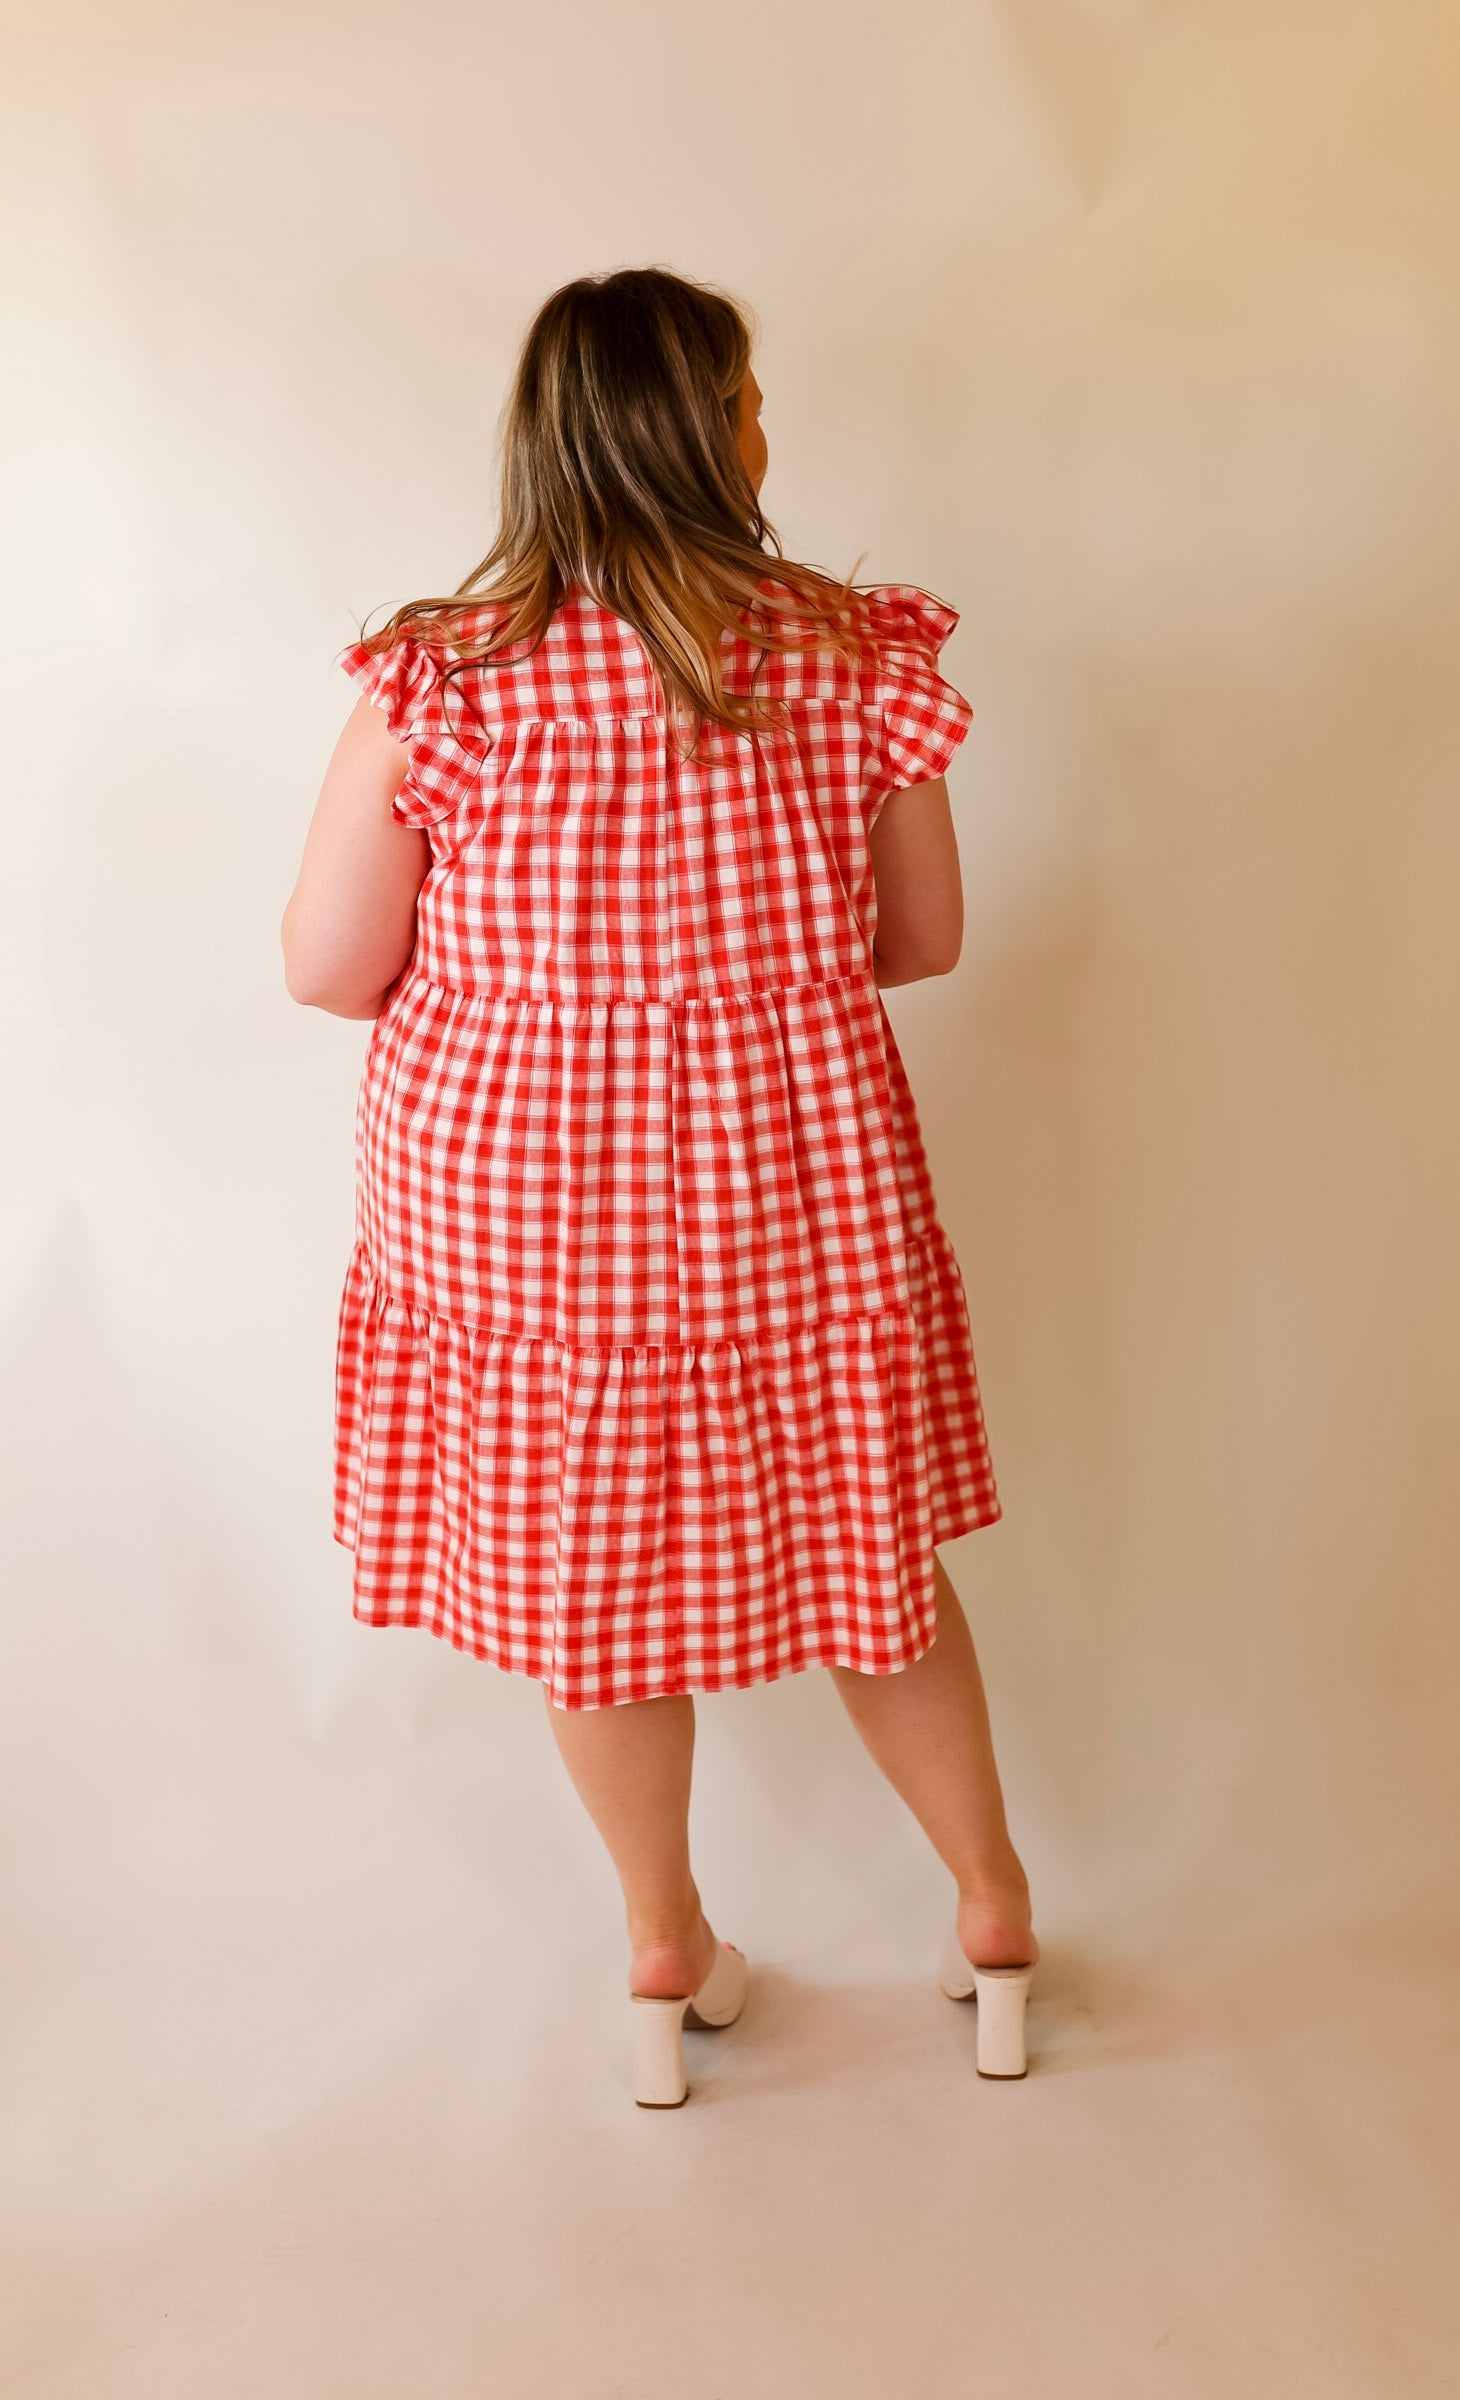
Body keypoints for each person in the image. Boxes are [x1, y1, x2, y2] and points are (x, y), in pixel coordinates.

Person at [281, 266, 1039, 2104]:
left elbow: (323, 964)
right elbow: (923, 941)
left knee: (585, 1574)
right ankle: (993, 1909)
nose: (767, 420)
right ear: (707, 430)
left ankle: (661, 1949)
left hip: (525, 1199)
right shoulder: (852, 654)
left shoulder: (444, 679)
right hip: (797, 1176)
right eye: (749, 392)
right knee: (872, 1552)